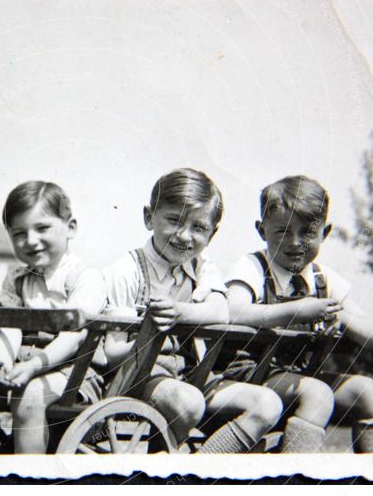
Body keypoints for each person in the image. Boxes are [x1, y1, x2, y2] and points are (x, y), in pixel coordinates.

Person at [104, 168, 282, 452]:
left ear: (212, 234)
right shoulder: (127, 271)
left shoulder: (202, 267)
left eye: (199, 227)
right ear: (149, 218)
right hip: (139, 380)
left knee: (268, 404)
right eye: (174, 220)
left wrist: (179, 313)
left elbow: (221, 311)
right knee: (189, 402)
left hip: (193, 377)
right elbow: (112, 353)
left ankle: (198, 471)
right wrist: (150, 336)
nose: (185, 236)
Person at [227, 175, 373, 453]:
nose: (295, 243)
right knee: (317, 394)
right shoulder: (252, 268)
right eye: (282, 231)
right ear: (262, 230)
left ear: (325, 233)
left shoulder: (324, 279)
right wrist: (296, 310)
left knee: (368, 394)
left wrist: (338, 315)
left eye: (307, 232)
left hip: (302, 376)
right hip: (250, 375)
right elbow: (232, 312)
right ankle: (296, 480)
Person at [0, 181, 106, 454]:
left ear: (70, 227)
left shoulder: (85, 278)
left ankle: (29, 476)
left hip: (72, 373)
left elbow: (73, 338)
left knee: (28, 398)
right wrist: (3, 363)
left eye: (42, 228)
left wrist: (33, 367)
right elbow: (8, 326)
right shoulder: (16, 280)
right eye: (18, 233)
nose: (30, 241)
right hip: (21, 366)